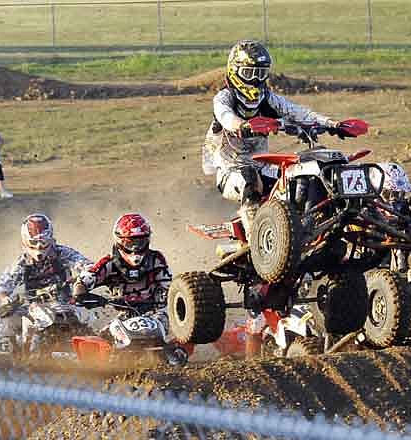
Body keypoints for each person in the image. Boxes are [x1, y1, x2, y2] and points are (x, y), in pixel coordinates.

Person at [202, 39, 342, 235]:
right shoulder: (225, 97)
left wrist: (331, 124)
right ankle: (254, 236)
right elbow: (225, 116)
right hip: (230, 170)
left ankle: (308, 224)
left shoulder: (267, 98)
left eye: (261, 73)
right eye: (249, 73)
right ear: (234, 71)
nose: (255, 80)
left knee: (301, 175)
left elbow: (297, 112)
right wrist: (242, 126)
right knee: (250, 177)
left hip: (262, 165)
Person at [0, 214, 91, 361]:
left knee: (86, 321)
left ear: (50, 239)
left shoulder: (62, 253)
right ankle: (7, 357)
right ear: (26, 240)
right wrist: (5, 299)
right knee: (5, 317)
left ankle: (90, 352)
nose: (39, 246)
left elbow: (86, 264)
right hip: (34, 306)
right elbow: (3, 287)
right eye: (34, 242)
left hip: (65, 303)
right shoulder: (21, 263)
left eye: (43, 242)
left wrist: (83, 277)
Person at [73, 213, 172, 333]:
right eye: (130, 243)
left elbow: (169, 286)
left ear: (147, 240)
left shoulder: (156, 259)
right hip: (122, 314)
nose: (135, 248)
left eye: (140, 242)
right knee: (104, 336)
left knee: (166, 329)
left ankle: (176, 351)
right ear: (119, 241)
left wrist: (167, 296)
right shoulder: (108, 263)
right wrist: (81, 292)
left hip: (154, 312)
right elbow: (86, 279)